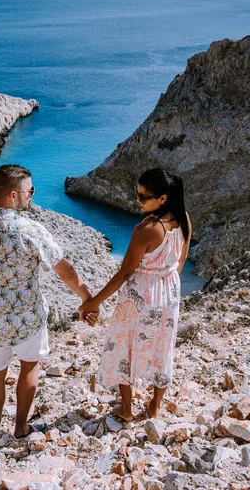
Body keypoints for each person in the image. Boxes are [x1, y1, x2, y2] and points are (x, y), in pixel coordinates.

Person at [0, 164, 96, 438]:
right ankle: (20, 427)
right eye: (29, 190)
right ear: (12, 196)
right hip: (27, 318)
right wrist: (87, 298)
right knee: (29, 367)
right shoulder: (32, 230)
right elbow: (64, 271)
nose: (32, 194)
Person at [79, 168, 191, 421]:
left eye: (144, 196)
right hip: (169, 292)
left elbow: (124, 273)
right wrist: (165, 281)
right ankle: (155, 406)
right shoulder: (183, 218)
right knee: (163, 347)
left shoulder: (147, 228)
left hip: (140, 293)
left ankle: (127, 409)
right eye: (137, 194)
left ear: (163, 198)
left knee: (124, 346)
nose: (138, 201)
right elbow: (181, 260)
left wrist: (92, 302)